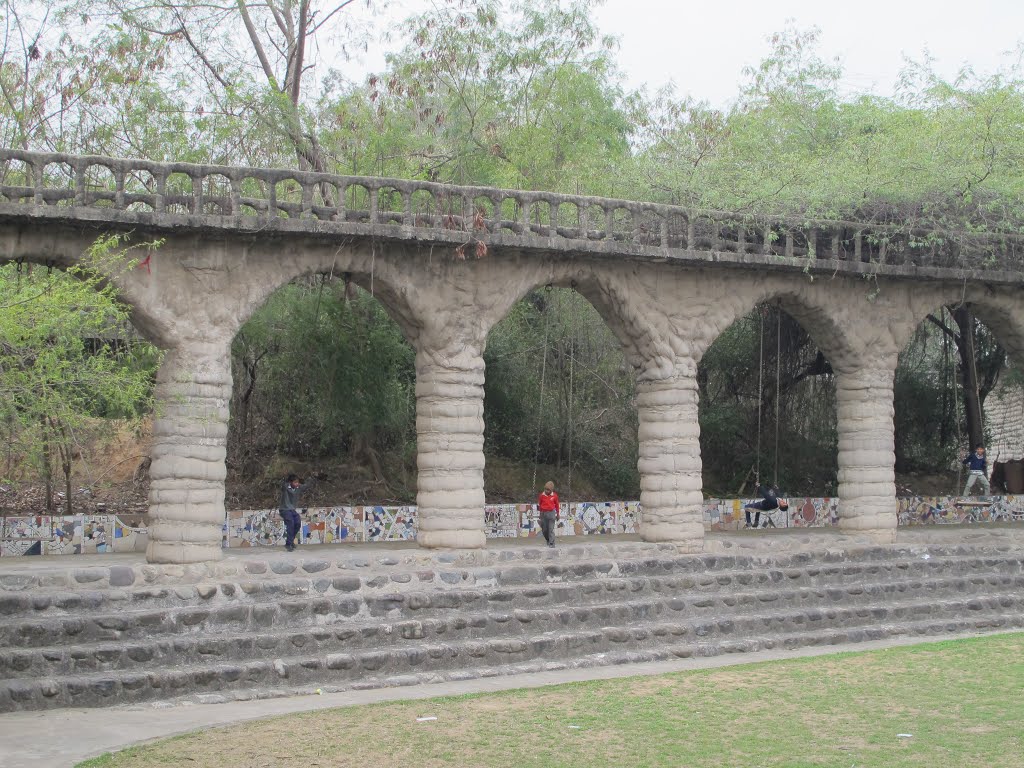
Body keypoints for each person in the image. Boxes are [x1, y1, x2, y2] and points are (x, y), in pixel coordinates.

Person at [279, 473, 311, 551]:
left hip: (292, 510)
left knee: (297, 523)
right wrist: (284, 479)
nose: (297, 484)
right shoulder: (285, 487)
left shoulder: (298, 487)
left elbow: (306, 486)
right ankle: (288, 544)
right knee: (291, 523)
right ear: (290, 482)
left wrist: (312, 478)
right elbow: (283, 484)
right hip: (284, 509)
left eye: (298, 482)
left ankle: (290, 541)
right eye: (295, 482)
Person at [537, 480, 560, 547]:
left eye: (548, 490)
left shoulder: (554, 496)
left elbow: (557, 505)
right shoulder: (542, 495)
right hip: (543, 513)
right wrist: (540, 514)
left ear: (551, 490)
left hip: (551, 513)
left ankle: (552, 543)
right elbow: (540, 504)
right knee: (544, 530)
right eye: (546, 489)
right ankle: (548, 540)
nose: (547, 491)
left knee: (550, 529)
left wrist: (558, 514)